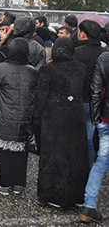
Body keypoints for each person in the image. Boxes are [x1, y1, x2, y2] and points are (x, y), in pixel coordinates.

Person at [34, 37, 88, 208]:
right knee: (76, 154)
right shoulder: (81, 68)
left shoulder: (47, 69)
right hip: (76, 114)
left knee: (52, 155)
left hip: (53, 115)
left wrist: (35, 117)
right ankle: (76, 195)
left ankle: (51, 195)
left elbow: (41, 95)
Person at [0, 38, 38, 196]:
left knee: (5, 151)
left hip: (4, 115)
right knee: (21, 151)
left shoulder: (1, 68)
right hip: (25, 116)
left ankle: (5, 184)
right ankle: (19, 184)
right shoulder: (32, 71)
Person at [80, 50, 109, 223]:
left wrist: (97, 117)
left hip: (106, 117)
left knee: (101, 161)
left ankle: (88, 205)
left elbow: (96, 90)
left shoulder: (104, 58)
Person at [74, 20, 107, 168]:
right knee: (89, 139)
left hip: (79, 99)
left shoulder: (76, 53)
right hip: (98, 102)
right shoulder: (104, 55)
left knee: (74, 138)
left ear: (82, 34)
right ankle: (88, 170)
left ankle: (75, 170)